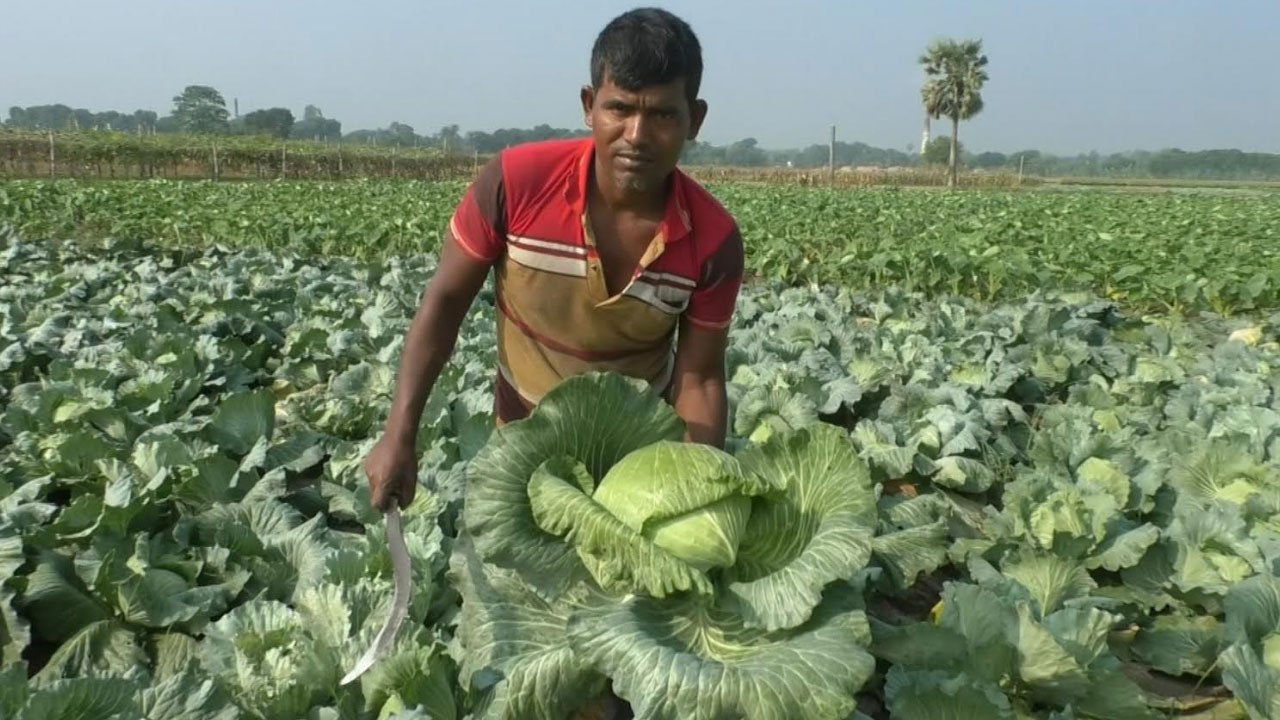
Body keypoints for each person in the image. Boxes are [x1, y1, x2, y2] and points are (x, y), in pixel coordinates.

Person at [365, 9, 742, 714]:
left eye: (661, 114)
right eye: (619, 108)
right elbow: (441, 309)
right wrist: (400, 433)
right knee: (520, 646)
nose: (637, 134)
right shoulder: (514, 182)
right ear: (587, 105)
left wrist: (691, 497)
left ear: (695, 118)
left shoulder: (713, 237)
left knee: (636, 645)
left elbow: (698, 378)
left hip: (639, 463)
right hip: (524, 452)